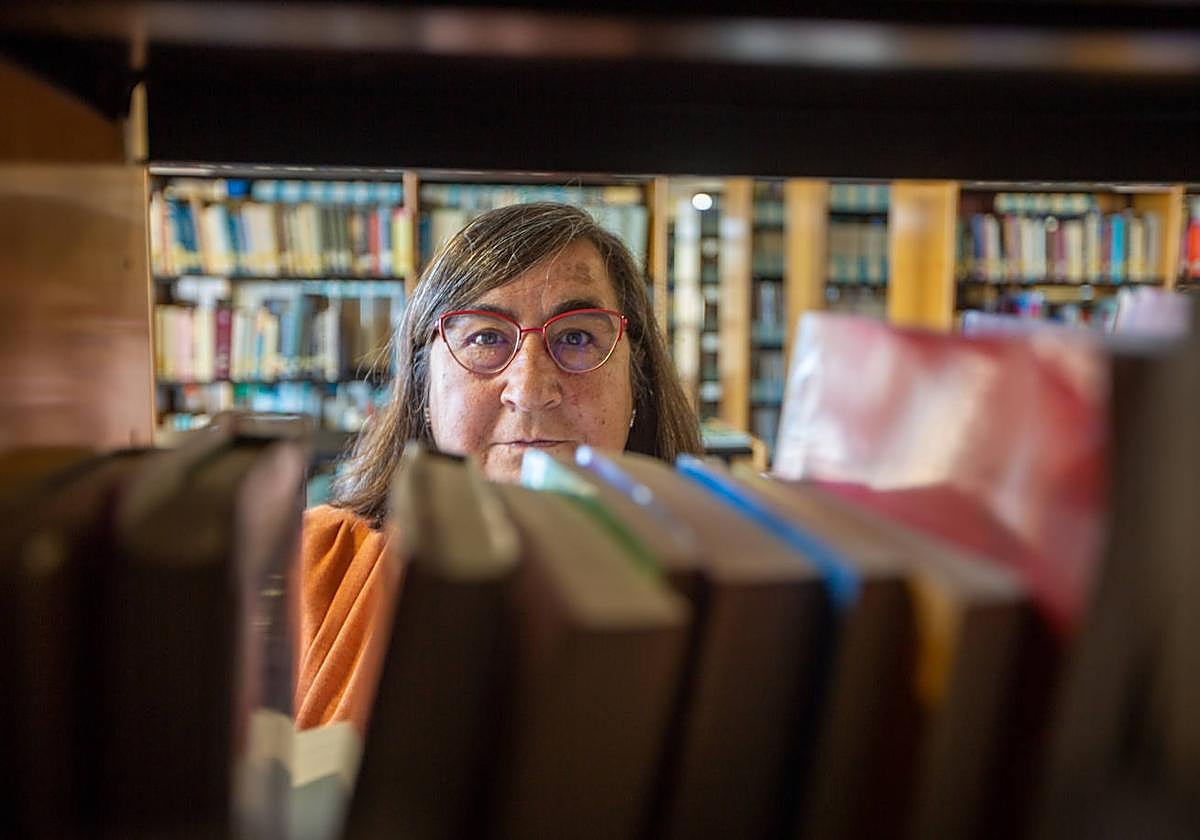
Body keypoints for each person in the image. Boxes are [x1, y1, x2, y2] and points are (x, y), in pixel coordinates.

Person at [296, 202, 702, 729]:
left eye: (577, 337)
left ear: (636, 383)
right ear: (423, 384)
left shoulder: (727, 596)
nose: (530, 390)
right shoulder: (309, 567)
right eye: (486, 337)